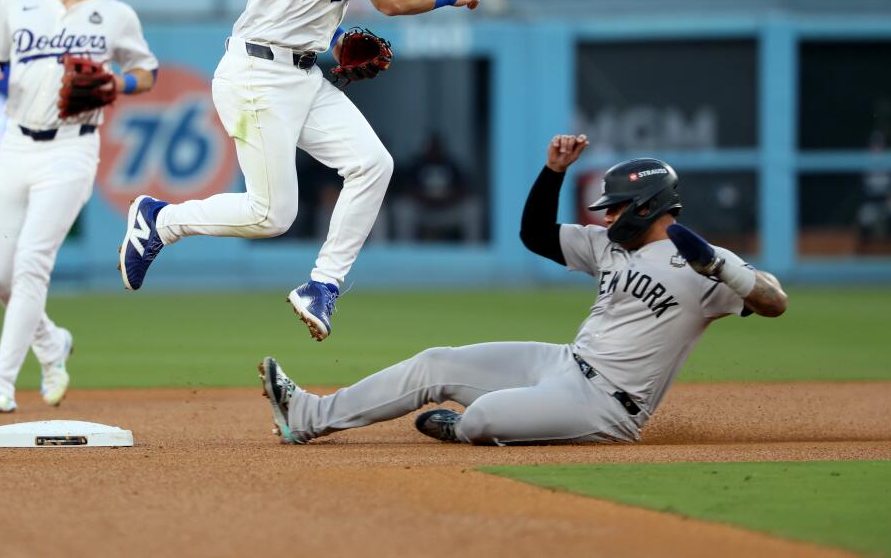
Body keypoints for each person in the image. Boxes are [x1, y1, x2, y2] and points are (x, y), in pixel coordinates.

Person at [117, 0, 479, 342]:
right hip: (259, 75)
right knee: (271, 216)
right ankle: (160, 220)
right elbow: (393, 0)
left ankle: (322, 287)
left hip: (298, 69)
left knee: (372, 164)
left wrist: (330, 43)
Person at [258, 133, 789, 444]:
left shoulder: (705, 265)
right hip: (560, 364)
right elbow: (534, 235)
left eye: (617, 207)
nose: (606, 216)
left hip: (608, 405)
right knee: (435, 362)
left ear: (649, 204)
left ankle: (471, 429)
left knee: (484, 416)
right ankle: (307, 416)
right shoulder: (608, 245)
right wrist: (553, 172)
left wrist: (722, 268)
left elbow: (774, 303)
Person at [0, 0, 159, 413]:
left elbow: (147, 70)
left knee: (31, 262)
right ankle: (52, 344)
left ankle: (0, 383)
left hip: (73, 149)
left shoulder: (115, 14)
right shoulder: (18, 1)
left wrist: (123, 85)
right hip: (16, 145)